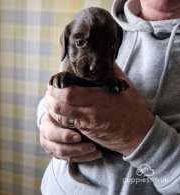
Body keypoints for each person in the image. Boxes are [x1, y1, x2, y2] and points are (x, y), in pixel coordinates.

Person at [37, 0, 180, 194]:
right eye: (80, 43)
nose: (95, 64)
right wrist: (47, 121)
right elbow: (55, 94)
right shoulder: (105, 25)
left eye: (110, 46)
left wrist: (138, 136)